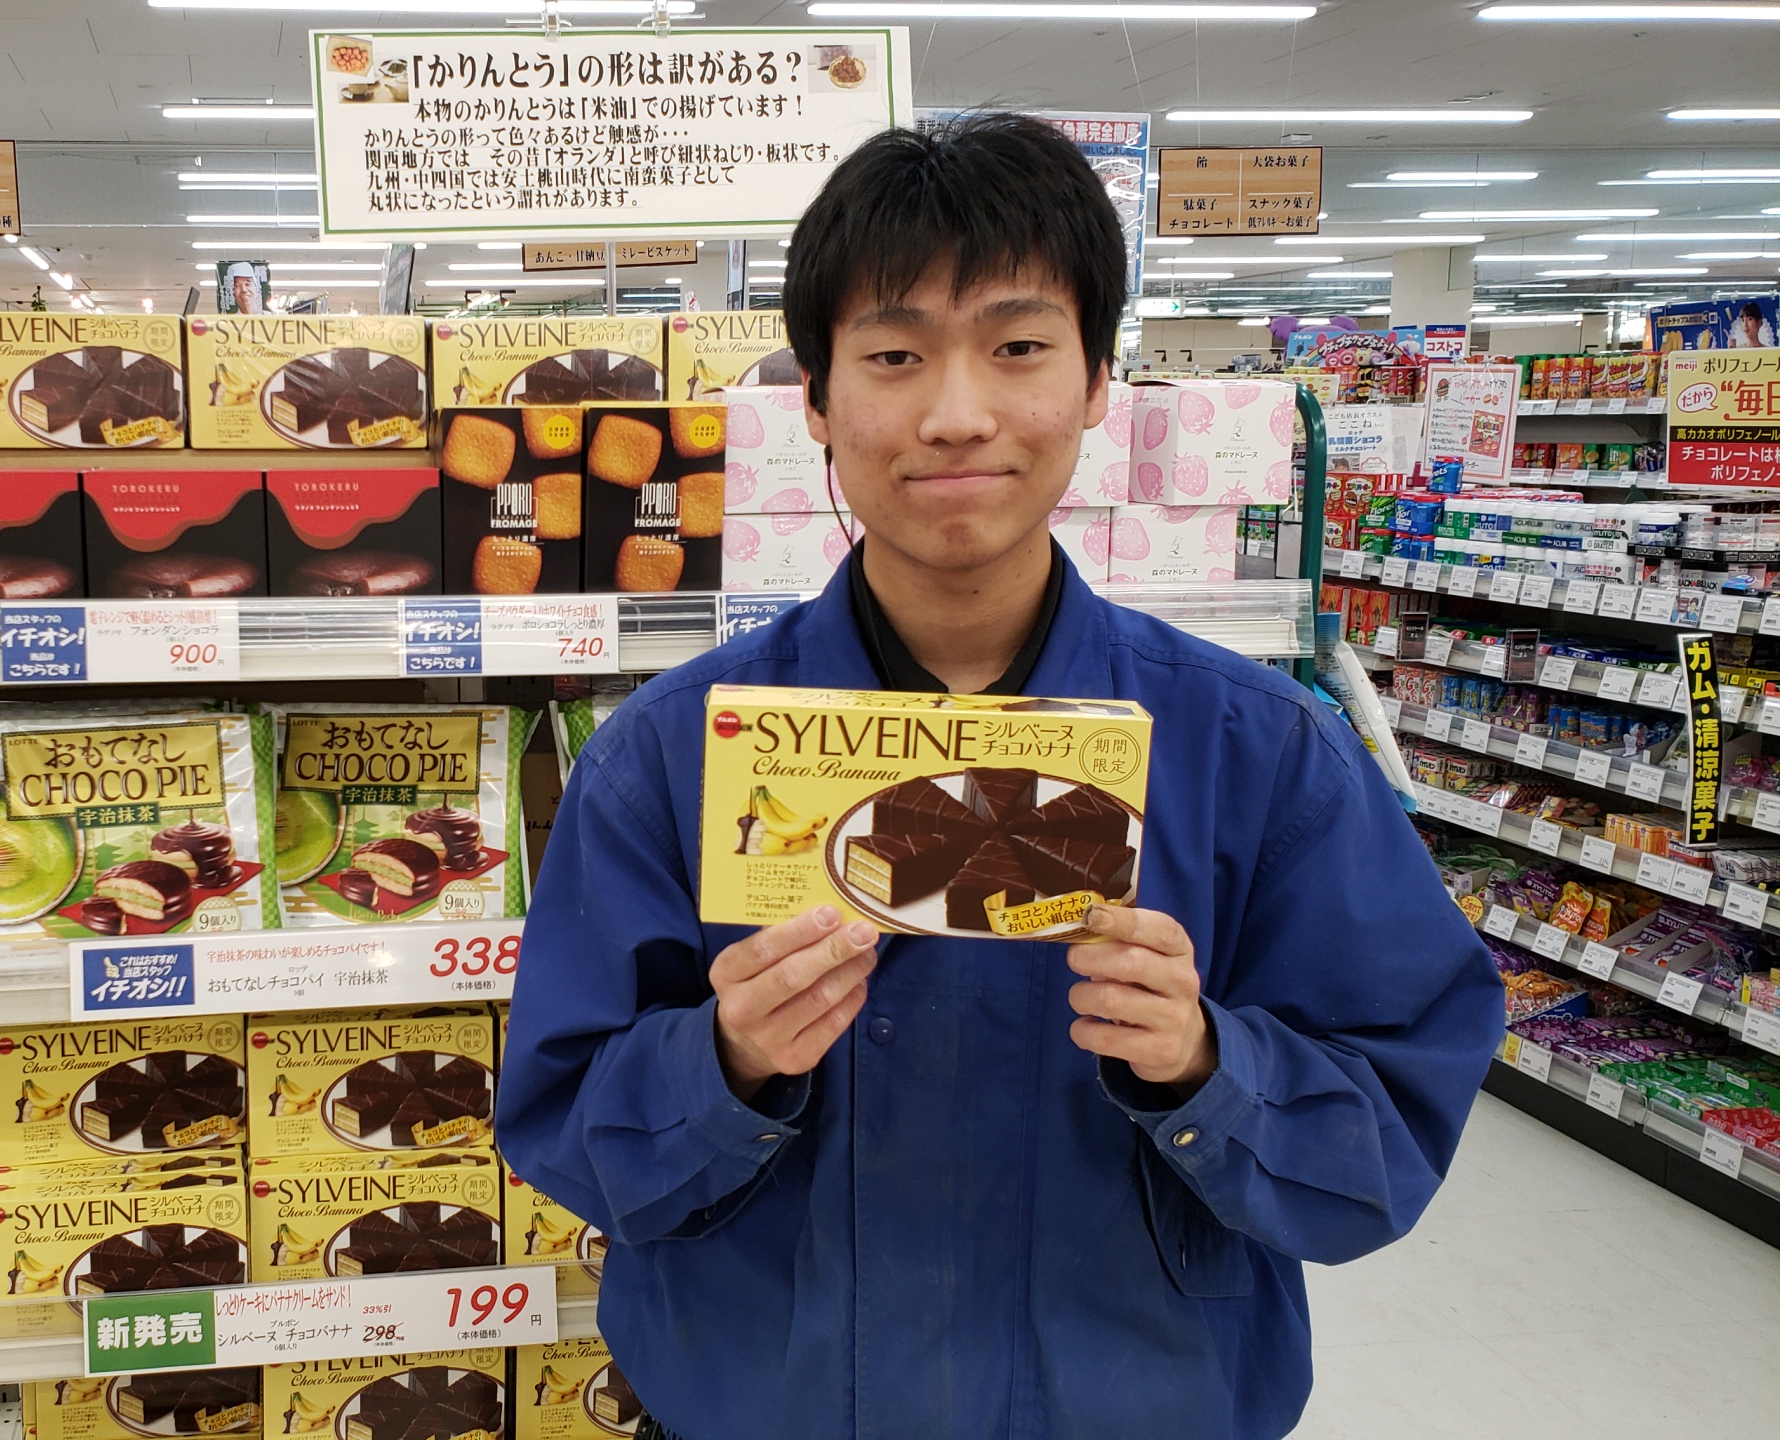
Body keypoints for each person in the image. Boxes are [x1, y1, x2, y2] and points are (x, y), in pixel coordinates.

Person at [493, 114, 1504, 1440]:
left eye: (1018, 347)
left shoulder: (1258, 752)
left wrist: (1207, 1066)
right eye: (894, 355)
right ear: (816, 399)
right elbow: (563, 1126)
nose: (956, 414)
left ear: (1096, 383)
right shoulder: (669, 757)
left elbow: (1389, 1134)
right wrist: (723, 1063)